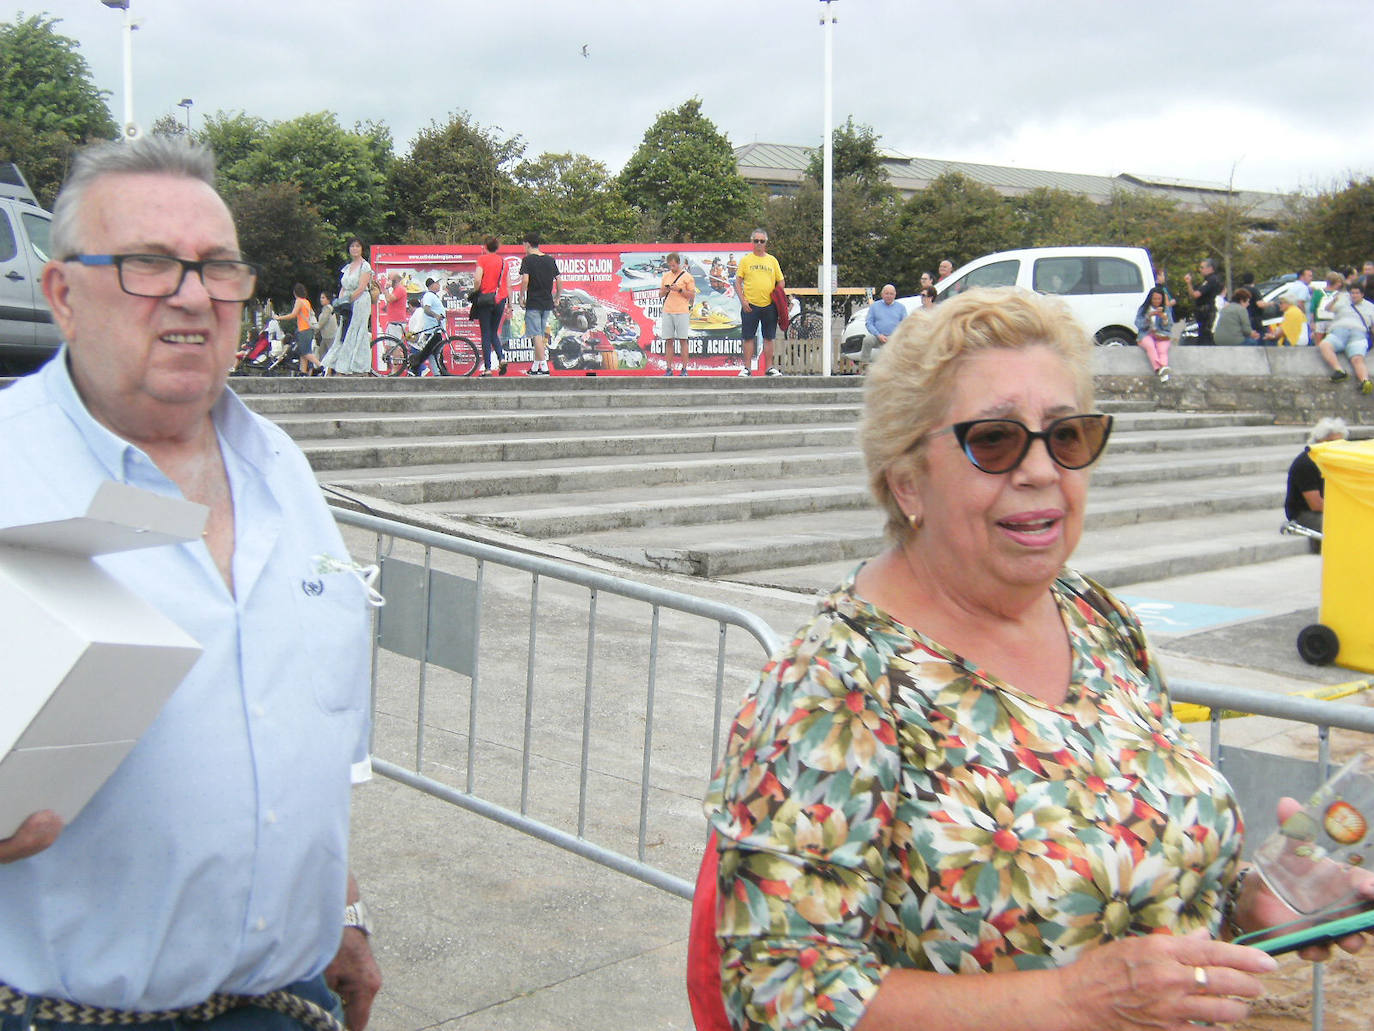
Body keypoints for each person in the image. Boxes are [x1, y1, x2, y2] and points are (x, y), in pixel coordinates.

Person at [695, 287, 1373, 1031]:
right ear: (906, 479)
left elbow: (1123, 872)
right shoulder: (833, 686)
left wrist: (1249, 900)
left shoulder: (1097, 618)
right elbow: (778, 994)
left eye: (1067, 435)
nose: (1042, 470)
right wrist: (1074, 1002)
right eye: (995, 440)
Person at [0, 137, 380, 1029]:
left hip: (284, 1002)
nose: (190, 294)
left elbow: (289, 738)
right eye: (146, 264)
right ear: (62, 293)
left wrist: (344, 911)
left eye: (216, 268)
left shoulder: (280, 467)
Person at [1285, 417, 1349, 548]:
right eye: (1331, 441)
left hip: (1330, 508)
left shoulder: (1334, 461)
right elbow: (1316, 504)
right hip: (1305, 513)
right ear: (1320, 441)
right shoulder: (1306, 463)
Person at [733, 229, 785, 377]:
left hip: (769, 305)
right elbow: (737, 281)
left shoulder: (772, 260)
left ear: (766, 243)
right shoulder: (746, 260)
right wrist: (743, 300)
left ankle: (769, 368)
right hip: (750, 305)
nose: (759, 244)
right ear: (752, 242)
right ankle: (747, 368)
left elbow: (781, 281)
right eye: (756, 241)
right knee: (748, 337)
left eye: (762, 241)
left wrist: (777, 295)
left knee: (769, 337)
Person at [322, 237, 373, 376]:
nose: (354, 249)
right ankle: (341, 365)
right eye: (352, 246)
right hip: (347, 302)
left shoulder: (365, 266)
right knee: (343, 331)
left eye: (357, 246)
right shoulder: (348, 267)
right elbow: (344, 287)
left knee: (356, 331)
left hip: (360, 301)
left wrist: (348, 300)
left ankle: (357, 365)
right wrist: (340, 302)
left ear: (362, 248)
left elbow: (362, 287)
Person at [1316, 281, 1374, 393]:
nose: (1354, 295)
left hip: (1358, 332)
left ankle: (1365, 381)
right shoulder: (1343, 300)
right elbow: (1328, 309)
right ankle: (1339, 371)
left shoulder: (1370, 307)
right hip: (1339, 331)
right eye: (1352, 293)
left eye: (1357, 293)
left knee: (1357, 358)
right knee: (1324, 345)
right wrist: (1335, 299)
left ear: (1362, 294)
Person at [518, 231, 559, 376]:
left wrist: (521, 296)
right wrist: (558, 296)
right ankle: (535, 367)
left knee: (536, 336)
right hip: (547, 302)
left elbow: (525, 280)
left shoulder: (527, 260)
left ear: (528, 244)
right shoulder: (549, 260)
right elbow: (559, 280)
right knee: (540, 335)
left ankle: (544, 366)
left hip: (534, 302)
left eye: (523, 244)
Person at [473, 236, 509, 376]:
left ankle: (488, 368)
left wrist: (476, 292)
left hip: (486, 300)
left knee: (486, 334)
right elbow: (507, 284)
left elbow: (477, 279)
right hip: (500, 300)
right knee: (494, 331)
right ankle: (501, 358)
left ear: (485, 246)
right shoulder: (503, 262)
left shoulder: (482, 259)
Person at [659, 251, 697, 376]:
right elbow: (660, 294)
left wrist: (679, 289)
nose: (672, 268)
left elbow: (692, 295)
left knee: (683, 340)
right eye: (670, 266)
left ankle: (684, 369)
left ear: (678, 264)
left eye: (674, 265)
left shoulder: (687, 277)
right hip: (668, 310)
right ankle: (669, 369)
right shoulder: (666, 276)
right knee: (668, 340)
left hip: (682, 311)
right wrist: (666, 289)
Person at [859, 283, 906, 367]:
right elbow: (869, 323)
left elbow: (905, 324)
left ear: (895, 295)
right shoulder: (874, 306)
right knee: (867, 340)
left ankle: (899, 367)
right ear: (882, 294)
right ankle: (864, 365)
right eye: (886, 293)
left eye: (891, 294)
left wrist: (896, 336)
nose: (889, 296)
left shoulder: (901, 308)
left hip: (894, 337)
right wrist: (878, 335)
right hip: (878, 337)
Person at [407, 277, 446, 376]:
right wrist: (436, 316)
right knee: (428, 352)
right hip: (432, 330)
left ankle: (439, 373)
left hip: (436, 329)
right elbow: (426, 309)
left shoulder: (433, 296)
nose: (439, 285)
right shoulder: (429, 295)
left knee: (434, 353)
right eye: (437, 283)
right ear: (432, 285)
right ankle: (414, 368)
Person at [282, 282, 322, 376]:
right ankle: (303, 372)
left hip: (303, 329)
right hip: (309, 329)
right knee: (303, 352)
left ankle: (320, 365)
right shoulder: (306, 301)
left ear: (295, 292)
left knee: (305, 351)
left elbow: (293, 314)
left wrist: (279, 318)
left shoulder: (299, 301)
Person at [1134, 286, 1175, 377]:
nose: (1157, 301)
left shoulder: (1166, 309)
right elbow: (1138, 323)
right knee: (1150, 346)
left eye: (1159, 299)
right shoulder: (1144, 309)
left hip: (1161, 335)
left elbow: (1169, 327)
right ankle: (1159, 369)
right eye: (1154, 299)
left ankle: (1163, 368)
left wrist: (1164, 319)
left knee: (1162, 349)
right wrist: (1149, 316)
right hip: (1146, 334)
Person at [1183, 258, 1221, 346]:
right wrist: (1189, 284)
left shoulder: (1211, 280)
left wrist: (1189, 283)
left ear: (1210, 268)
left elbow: (1196, 294)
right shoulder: (1205, 281)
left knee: (1205, 336)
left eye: (1202, 267)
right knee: (1201, 335)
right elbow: (1192, 294)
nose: (1200, 270)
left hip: (1207, 312)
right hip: (1201, 312)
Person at [315, 290, 338, 362]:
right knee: (322, 353)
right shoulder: (325, 309)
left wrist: (313, 329)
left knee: (331, 354)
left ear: (328, 299)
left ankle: (331, 371)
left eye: (323, 298)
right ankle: (324, 369)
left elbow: (322, 323)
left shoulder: (328, 309)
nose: (321, 299)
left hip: (330, 336)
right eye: (321, 298)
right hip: (326, 336)